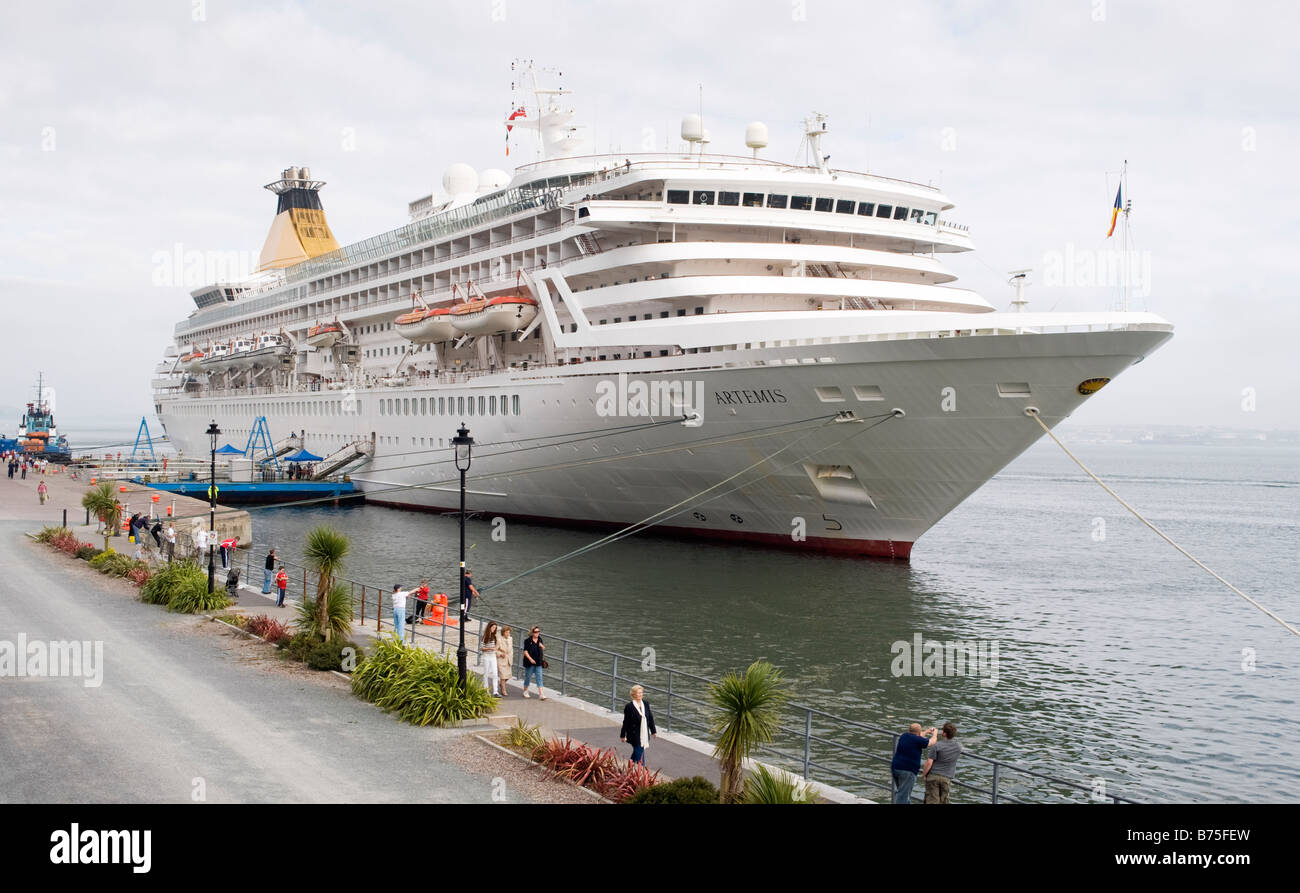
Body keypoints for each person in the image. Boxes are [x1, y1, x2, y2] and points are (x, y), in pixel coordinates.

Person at [890, 723, 938, 804]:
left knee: (903, 793)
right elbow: (931, 742)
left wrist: (926, 731)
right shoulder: (918, 740)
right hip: (908, 771)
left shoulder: (904, 736)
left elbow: (919, 735)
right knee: (903, 796)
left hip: (896, 768)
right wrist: (935, 734)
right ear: (918, 733)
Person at [922, 722, 963, 804]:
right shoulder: (958, 746)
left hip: (933, 776)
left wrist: (924, 775)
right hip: (946, 778)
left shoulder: (937, 746)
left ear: (944, 733)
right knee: (944, 801)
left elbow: (929, 763)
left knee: (931, 801)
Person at [620, 684, 657, 765]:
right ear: (633, 694)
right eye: (638, 693)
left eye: (641, 693)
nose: (640, 694)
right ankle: (641, 771)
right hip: (634, 734)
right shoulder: (629, 707)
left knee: (638, 752)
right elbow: (626, 722)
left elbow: (650, 718)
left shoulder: (646, 704)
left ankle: (630, 766)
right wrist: (623, 735)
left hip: (644, 734)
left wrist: (653, 731)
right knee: (639, 753)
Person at [520, 626, 546, 699]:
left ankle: (541, 694)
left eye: (538, 632)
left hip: (538, 662)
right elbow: (525, 652)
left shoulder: (540, 639)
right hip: (529, 662)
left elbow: (543, 648)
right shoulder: (527, 641)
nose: (537, 633)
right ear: (532, 633)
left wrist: (542, 646)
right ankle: (525, 691)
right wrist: (530, 659)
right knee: (528, 677)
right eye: (535, 632)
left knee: (539, 677)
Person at [481, 622, 500, 696]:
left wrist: (495, 649)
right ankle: (486, 690)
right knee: (486, 673)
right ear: (489, 627)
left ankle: (495, 691)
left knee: (495, 673)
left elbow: (497, 646)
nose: (494, 629)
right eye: (493, 627)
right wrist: (489, 648)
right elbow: (481, 648)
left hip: (493, 656)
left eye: (495, 628)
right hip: (486, 656)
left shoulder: (495, 637)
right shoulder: (485, 636)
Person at [496, 626, 514, 697]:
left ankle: (501, 684)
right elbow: (495, 650)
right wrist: (500, 654)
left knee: (508, 676)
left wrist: (511, 656)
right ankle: (503, 690)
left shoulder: (510, 639)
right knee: (503, 676)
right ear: (503, 633)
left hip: (509, 659)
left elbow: (511, 648)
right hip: (501, 660)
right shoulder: (499, 640)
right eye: (507, 632)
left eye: (509, 632)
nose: (508, 634)